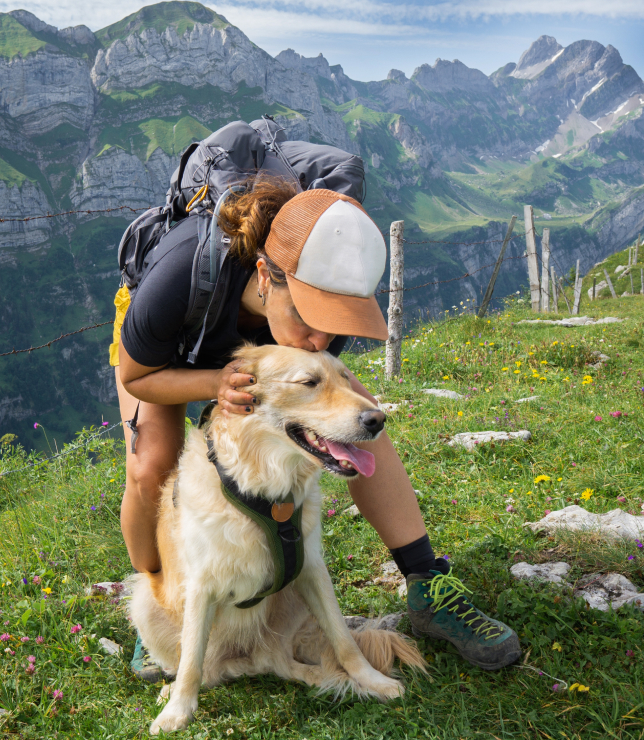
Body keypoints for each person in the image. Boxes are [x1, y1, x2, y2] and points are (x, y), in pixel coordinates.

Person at [108, 177, 521, 679]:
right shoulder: (179, 275)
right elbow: (138, 376)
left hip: (256, 352)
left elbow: (320, 395)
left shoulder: (317, 318)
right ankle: (159, 593)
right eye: (308, 314)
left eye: (335, 320)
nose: (319, 337)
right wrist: (217, 382)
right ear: (265, 274)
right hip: (168, 356)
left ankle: (426, 582)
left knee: (359, 417)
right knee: (151, 461)